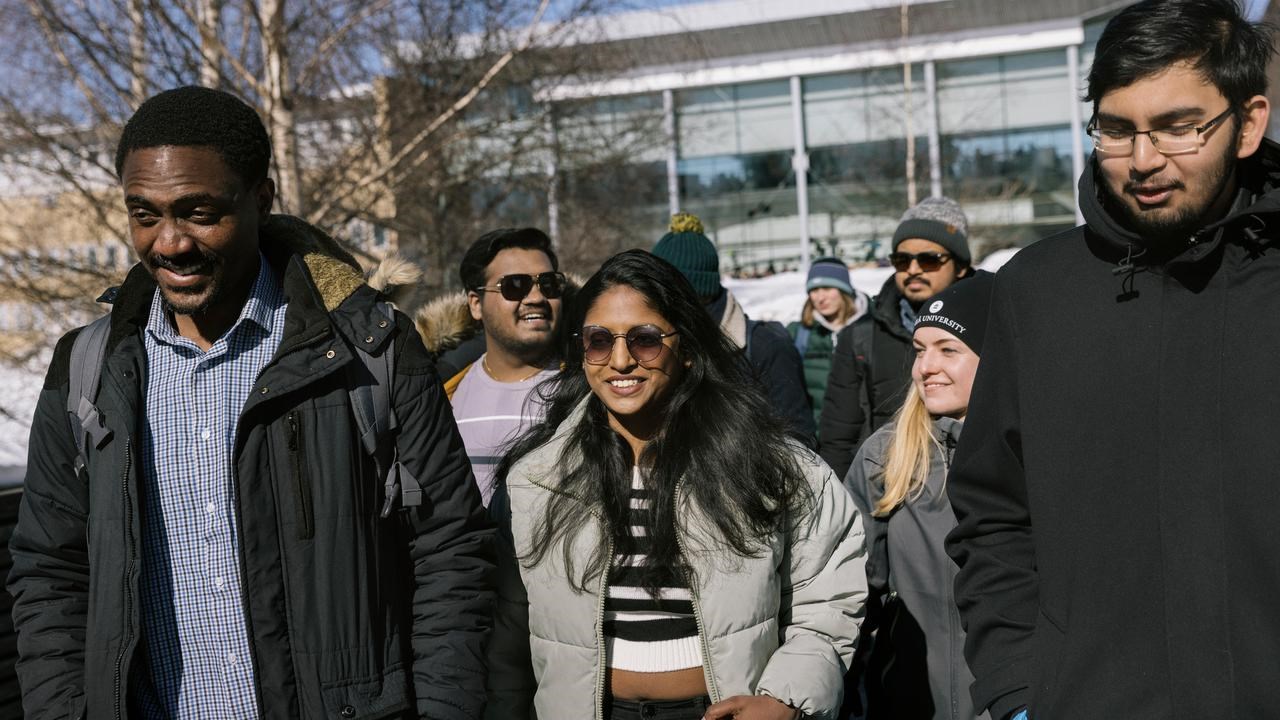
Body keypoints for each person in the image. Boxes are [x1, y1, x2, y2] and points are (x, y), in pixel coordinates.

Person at [6, 87, 494, 718]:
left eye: (199, 212)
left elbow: (450, 550)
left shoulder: (369, 348)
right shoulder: (88, 369)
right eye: (144, 215)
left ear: (261, 200)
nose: (170, 243)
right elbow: (49, 570)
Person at [944, 2, 1280, 718]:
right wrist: (1017, 688)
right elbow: (993, 515)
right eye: (1117, 128)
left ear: (1249, 123)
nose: (1144, 159)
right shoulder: (1034, 293)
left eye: (1179, 126)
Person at [485, 249, 868, 720]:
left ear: (685, 349)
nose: (620, 361)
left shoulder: (772, 465)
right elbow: (508, 637)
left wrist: (785, 698)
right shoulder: (536, 481)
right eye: (599, 340)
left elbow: (829, 597)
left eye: (645, 340)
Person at [845, 272, 994, 720]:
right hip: (907, 703)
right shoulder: (884, 456)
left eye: (948, 350)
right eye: (919, 350)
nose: (925, 367)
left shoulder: (1039, 456)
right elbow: (848, 598)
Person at [819, 197, 972, 479]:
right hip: (888, 492)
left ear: (961, 266)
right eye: (902, 260)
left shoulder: (995, 325)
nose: (913, 269)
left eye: (929, 259)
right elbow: (837, 436)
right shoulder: (860, 337)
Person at [651, 213, 816, 447]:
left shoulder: (765, 346)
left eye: (670, 293)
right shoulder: (649, 346)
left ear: (697, 292)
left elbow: (799, 442)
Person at [444, 227, 565, 504]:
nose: (536, 298)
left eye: (548, 284)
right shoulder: (440, 392)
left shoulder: (590, 392)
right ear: (476, 304)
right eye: (515, 286)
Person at [786, 256, 870, 429]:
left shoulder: (870, 327)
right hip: (817, 437)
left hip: (864, 437)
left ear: (843, 289)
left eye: (827, 288)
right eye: (814, 290)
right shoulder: (799, 334)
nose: (820, 297)